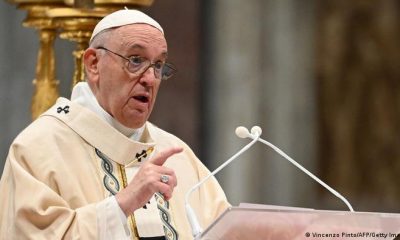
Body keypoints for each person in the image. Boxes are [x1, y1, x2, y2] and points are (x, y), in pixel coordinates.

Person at [0, 9, 229, 239]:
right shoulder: (38, 149)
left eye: (158, 65)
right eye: (136, 60)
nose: (150, 79)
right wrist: (121, 205)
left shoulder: (179, 157)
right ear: (93, 64)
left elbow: (226, 229)